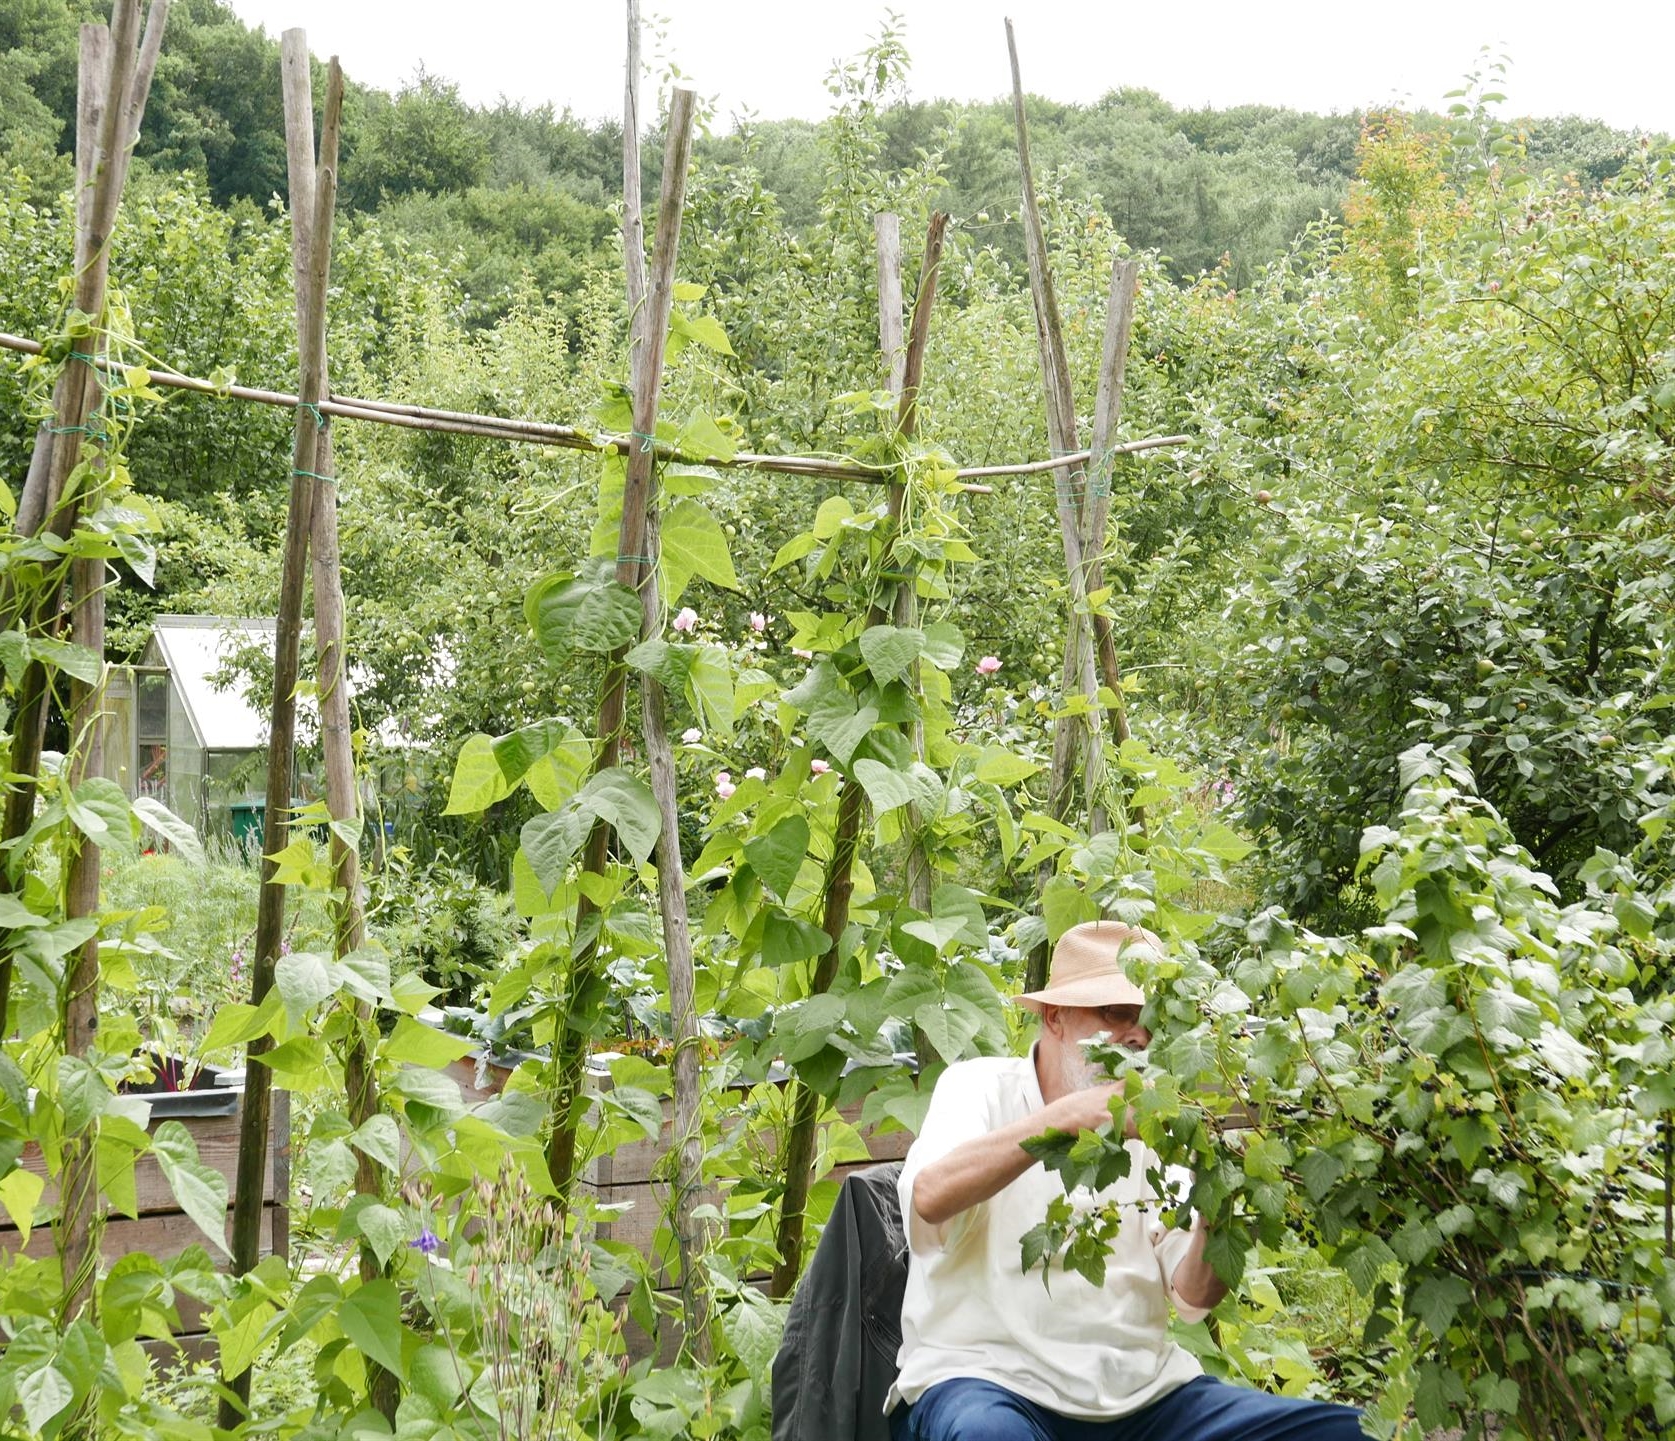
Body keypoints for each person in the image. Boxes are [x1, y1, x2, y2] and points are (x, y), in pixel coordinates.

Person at [888, 919, 1363, 1441]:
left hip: (1148, 1401)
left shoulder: (1156, 1118)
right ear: (1055, 1017)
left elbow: (1193, 1297)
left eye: (1149, 1018)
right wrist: (1072, 1116)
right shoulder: (977, 1086)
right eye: (1115, 1013)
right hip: (988, 1385)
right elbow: (930, 1197)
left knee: (1352, 1432)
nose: (1137, 1034)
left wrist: (1220, 1204)